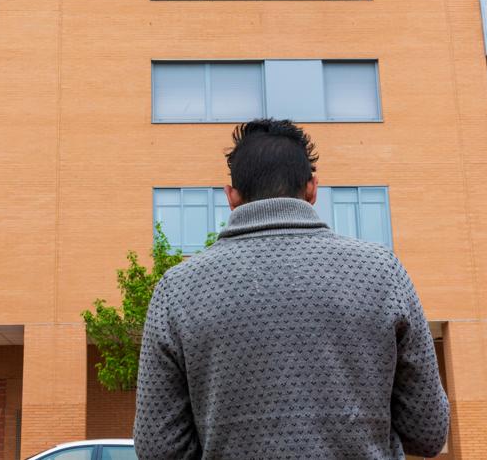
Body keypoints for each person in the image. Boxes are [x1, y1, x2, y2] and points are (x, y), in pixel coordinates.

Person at [133, 118, 450, 460]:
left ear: (231, 196)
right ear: (313, 188)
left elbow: (158, 448)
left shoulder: (178, 290)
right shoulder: (382, 274)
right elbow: (428, 432)